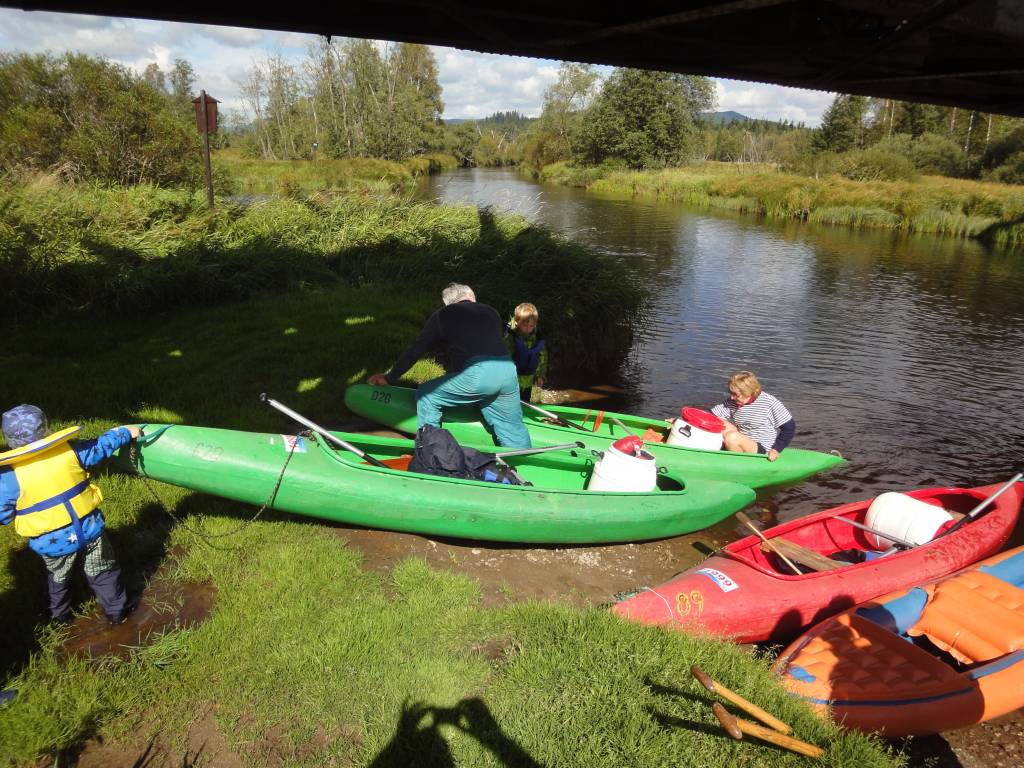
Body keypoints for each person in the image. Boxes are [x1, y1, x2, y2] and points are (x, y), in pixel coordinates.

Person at [0, 404, 141, 625]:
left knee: (58, 578)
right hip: (90, 530)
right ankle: (117, 612)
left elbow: (3, 514)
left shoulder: (9, 478)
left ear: (10, 441)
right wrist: (125, 432)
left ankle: (60, 617)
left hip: (53, 543)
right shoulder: (72, 451)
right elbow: (101, 446)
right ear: (47, 428)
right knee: (103, 570)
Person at [367, 283, 531, 448]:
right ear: (472, 298)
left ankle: (430, 453)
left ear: (448, 303)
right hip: (508, 371)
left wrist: (389, 377)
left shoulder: (442, 314)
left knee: (426, 395)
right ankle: (525, 459)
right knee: (512, 429)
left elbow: (417, 349)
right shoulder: (491, 312)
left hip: (480, 373)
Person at [710, 371, 795, 462]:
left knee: (732, 437)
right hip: (742, 438)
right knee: (716, 421)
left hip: (762, 449)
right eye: (731, 393)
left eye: (735, 394)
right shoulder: (733, 401)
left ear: (748, 392)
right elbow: (711, 415)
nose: (732, 397)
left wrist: (776, 449)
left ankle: (738, 463)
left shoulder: (769, 403)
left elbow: (789, 428)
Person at [504, 302, 547, 403]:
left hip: (529, 380)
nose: (528, 329)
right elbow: (505, 359)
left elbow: (543, 357)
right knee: (511, 404)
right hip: (513, 381)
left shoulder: (537, 338)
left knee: (525, 403)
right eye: (525, 325)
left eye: (531, 326)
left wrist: (540, 376)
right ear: (517, 322)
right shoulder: (511, 337)